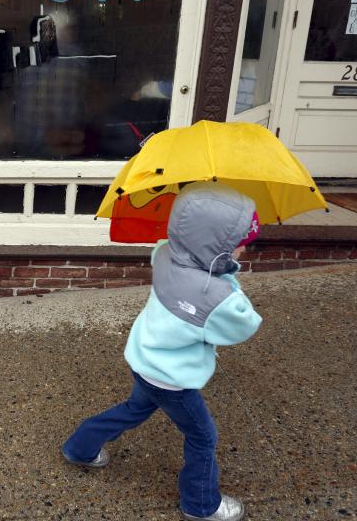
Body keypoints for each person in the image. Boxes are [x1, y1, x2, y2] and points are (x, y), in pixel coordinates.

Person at [62, 182, 262, 521]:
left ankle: (79, 448)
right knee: (203, 436)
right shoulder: (214, 295)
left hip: (145, 361)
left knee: (132, 410)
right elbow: (243, 324)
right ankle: (201, 505)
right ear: (216, 249)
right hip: (173, 380)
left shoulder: (166, 253)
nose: (242, 253)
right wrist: (227, 279)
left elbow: (188, 262)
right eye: (238, 247)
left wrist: (217, 269)